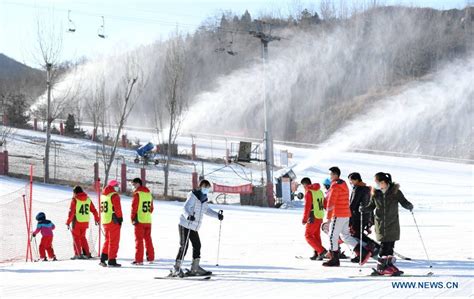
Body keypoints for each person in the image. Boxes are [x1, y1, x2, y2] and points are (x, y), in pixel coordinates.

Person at [360, 172, 413, 275]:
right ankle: (381, 267)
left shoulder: (395, 192)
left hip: (393, 223)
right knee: (384, 246)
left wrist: (409, 205)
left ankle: (388, 265)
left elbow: (404, 202)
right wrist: (364, 209)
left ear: (383, 182)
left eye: (377, 182)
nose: (376, 184)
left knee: (390, 245)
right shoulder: (375, 193)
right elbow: (371, 206)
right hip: (381, 224)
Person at [170, 179, 224, 277]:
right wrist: (188, 216)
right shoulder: (193, 195)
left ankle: (195, 267)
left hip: (194, 226)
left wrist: (217, 215)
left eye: (207, 188)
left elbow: (206, 210)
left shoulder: (204, 198)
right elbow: (185, 208)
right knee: (184, 246)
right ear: (200, 187)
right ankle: (176, 268)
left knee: (197, 245)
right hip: (185, 224)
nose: (206, 189)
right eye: (204, 187)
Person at [323, 166, 372, 267]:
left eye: (331, 174)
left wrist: (328, 218)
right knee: (345, 236)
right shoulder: (344, 184)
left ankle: (334, 259)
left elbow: (331, 202)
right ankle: (363, 252)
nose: (330, 177)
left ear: (335, 175)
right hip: (346, 214)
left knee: (332, 236)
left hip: (338, 214)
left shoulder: (335, 186)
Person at [66, 185, 100, 260]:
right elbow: (94, 210)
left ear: (75, 192)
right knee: (83, 237)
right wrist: (97, 219)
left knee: (76, 238)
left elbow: (71, 212)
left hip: (77, 221)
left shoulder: (75, 200)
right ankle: (87, 253)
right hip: (85, 221)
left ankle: (77, 254)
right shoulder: (88, 199)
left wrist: (68, 222)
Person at [347, 172, 373, 263]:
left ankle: (363, 252)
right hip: (365, 215)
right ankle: (369, 247)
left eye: (351, 181)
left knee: (355, 235)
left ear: (357, 180)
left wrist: (349, 217)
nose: (351, 183)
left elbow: (353, 204)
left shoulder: (358, 189)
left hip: (357, 216)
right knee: (358, 234)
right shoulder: (366, 189)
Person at [300, 177, 327, 260]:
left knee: (308, 235)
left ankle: (321, 251)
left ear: (305, 184)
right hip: (320, 215)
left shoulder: (309, 193)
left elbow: (307, 207)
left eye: (303, 186)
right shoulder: (319, 191)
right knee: (315, 235)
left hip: (312, 216)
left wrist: (304, 219)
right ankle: (317, 253)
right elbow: (325, 203)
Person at [130, 177, 155, 265]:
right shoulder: (149, 194)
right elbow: (151, 208)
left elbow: (134, 208)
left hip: (139, 221)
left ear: (138, 184)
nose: (133, 187)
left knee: (139, 240)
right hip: (148, 220)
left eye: (133, 185)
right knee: (148, 239)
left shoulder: (137, 194)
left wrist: (132, 218)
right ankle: (151, 258)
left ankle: (139, 260)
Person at [100, 179, 123, 267]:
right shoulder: (114, 195)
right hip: (113, 220)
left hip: (105, 220)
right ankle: (112, 260)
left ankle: (103, 258)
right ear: (113, 186)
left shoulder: (103, 195)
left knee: (107, 240)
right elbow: (117, 208)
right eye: (116, 186)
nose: (118, 187)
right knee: (114, 241)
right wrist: (120, 219)